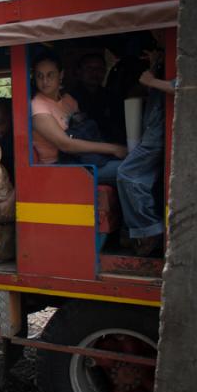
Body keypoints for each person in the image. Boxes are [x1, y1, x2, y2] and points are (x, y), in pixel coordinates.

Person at [30, 50, 127, 182]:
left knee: (131, 162)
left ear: (61, 75)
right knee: (130, 168)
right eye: (39, 76)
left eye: (50, 75)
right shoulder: (37, 107)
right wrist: (113, 149)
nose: (45, 81)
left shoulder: (69, 100)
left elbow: (84, 131)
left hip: (82, 159)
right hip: (58, 167)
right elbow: (66, 144)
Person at [117, 51, 175, 257]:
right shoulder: (161, 58)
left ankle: (150, 230)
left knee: (127, 174)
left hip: (157, 135)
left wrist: (152, 80)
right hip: (152, 131)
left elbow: (185, 86)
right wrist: (153, 65)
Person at [68, 53, 127, 145]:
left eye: (99, 69)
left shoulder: (112, 97)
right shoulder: (70, 98)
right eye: (89, 68)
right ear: (79, 71)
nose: (95, 73)